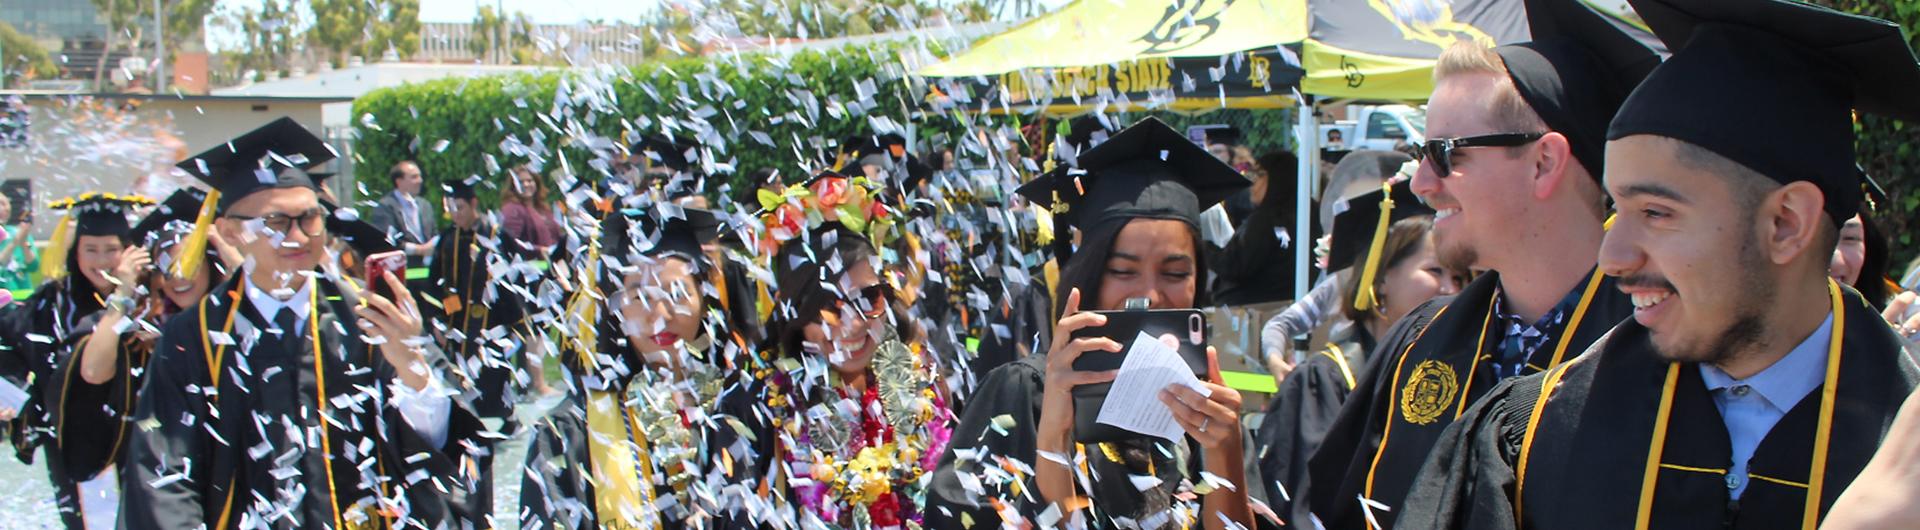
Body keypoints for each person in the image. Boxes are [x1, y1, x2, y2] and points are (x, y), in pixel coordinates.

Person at [1397, 1, 1920, 528]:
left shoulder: (1903, 437)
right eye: (1616, 208)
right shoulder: (1534, 432)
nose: (1613, 257)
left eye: (1655, 212)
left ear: (1786, 223)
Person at [1304, 1, 1657, 526]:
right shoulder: (1417, 344)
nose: (1421, 184)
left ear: (1544, 162)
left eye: (1446, 154)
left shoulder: (1660, 354)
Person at [120, 117, 489, 528]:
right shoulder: (194, 337)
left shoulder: (366, 321)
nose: (296, 237)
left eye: (309, 219)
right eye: (275, 223)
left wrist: (415, 374)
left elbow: (444, 452)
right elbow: (164, 477)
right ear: (230, 230)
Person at [926, 117, 1252, 530]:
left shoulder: (1209, 407)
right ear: (1089, 271)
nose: (1150, 294)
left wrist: (1226, 453)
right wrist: (1053, 442)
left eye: (1174, 274)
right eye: (1122, 270)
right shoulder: (1024, 393)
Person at [520, 205, 776, 529]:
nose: (660, 316)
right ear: (616, 308)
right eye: (640, 296)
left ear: (705, 297)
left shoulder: (749, 407)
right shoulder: (570, 431)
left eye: (678, 293)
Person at [1255, 182, 1462, 527]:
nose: (1450, 290)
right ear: (1381, 278)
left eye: (1459, 277)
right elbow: (1298, 511)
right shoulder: (1324, 381)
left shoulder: (1445, 375)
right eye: (1434, 271)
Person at [762, 171, 953, 528]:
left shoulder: (923, 380)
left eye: (866, 297)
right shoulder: (772, 414)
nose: (851, 323)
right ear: (797, 316)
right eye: (827, 308)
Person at [44, 188, 232, 528]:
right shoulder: (136, 327)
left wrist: (223, 244)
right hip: (156, 471)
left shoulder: (234, 324)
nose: (180, 276)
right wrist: (124, 292)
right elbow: (91, 371)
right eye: (166, 265)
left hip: (226, 466)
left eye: (190, 261)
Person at [15, 192, 152, 529]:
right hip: (74, 436)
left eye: (111, 249)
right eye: (90, 250)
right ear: (76, 254)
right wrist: (12, 398)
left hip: (142, 433)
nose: (102, 260)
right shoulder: (53, 300)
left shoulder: (151, 294)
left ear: (128, 252)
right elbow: (13, 346)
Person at [1212, 151, 1306, 306]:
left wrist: (1206, 249)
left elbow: (1236, 266)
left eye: (1259, 175)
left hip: (1252, 309)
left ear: (1277, 177)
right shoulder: (1306, 212)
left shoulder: (1267, 219)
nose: (1253, 184)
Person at [365, 160, 438, 263]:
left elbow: (434, 234)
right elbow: (386, 241)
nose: (420, 180)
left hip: (428, 269)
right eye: (414, 177)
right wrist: (420, 250)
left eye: (420, 176)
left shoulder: (425, 205)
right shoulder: (385, 207)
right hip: (402, 268)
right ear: (399, 181)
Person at [0, 193, 37, 292]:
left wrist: (23, 242)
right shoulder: (16, 235)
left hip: (22, 296)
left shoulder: (18, 232)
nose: (5, 208)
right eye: (1, 204)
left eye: (6, 204)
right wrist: (15, 242)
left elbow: (33, 266)